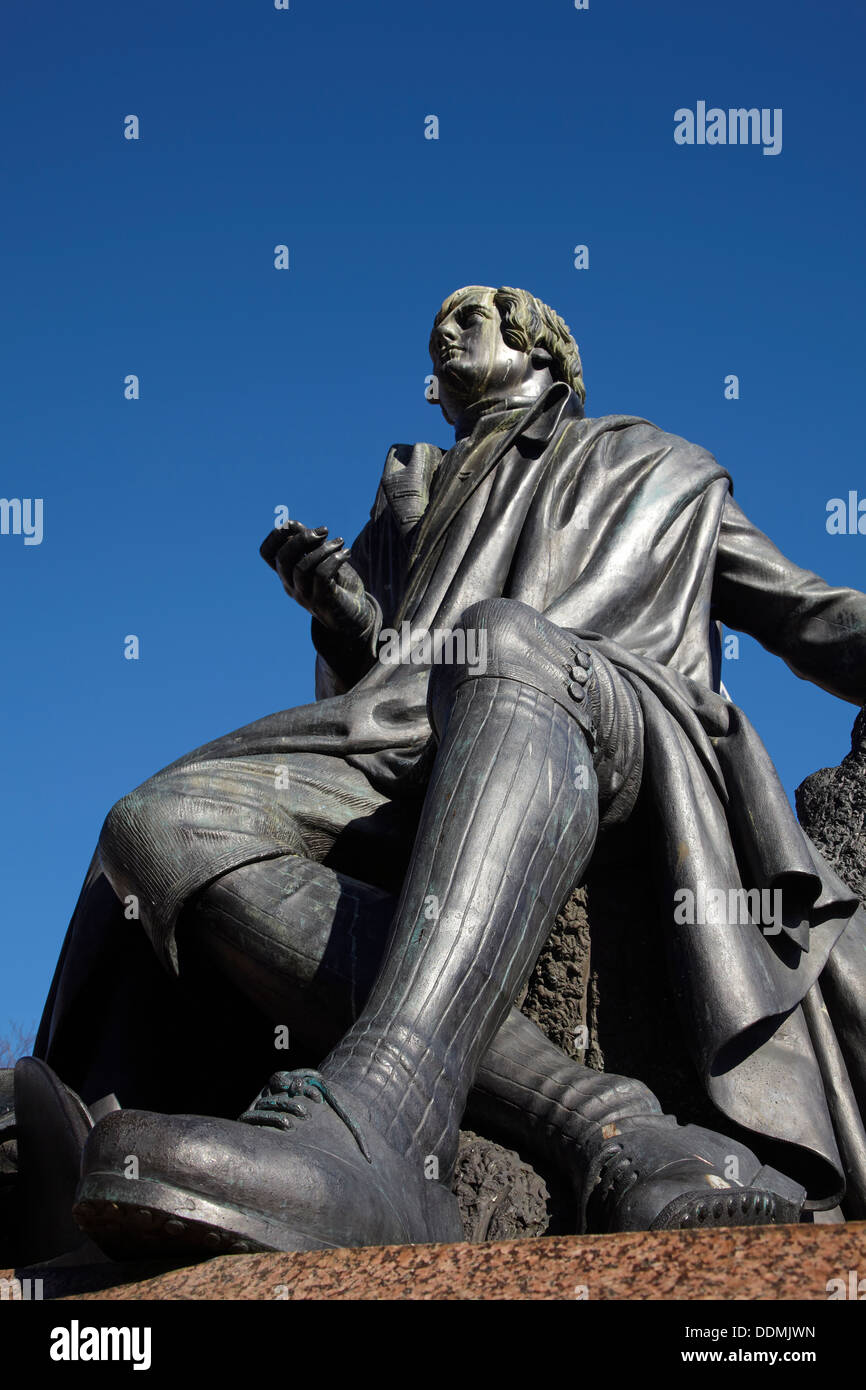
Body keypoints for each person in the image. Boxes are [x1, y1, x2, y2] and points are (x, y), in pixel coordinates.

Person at [25, 286, 866, 1260]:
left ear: (540, 343)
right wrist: (344, 621)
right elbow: (380, 672)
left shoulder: (650, 462)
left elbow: (807, 613)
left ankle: (379, 1122)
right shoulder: (408, 498)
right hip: (419, 738)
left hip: (614, 719)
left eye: (471, 315)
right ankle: (605, 1124)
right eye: (436, 325)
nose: (444, 330)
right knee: (156, 823)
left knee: (508, 644)